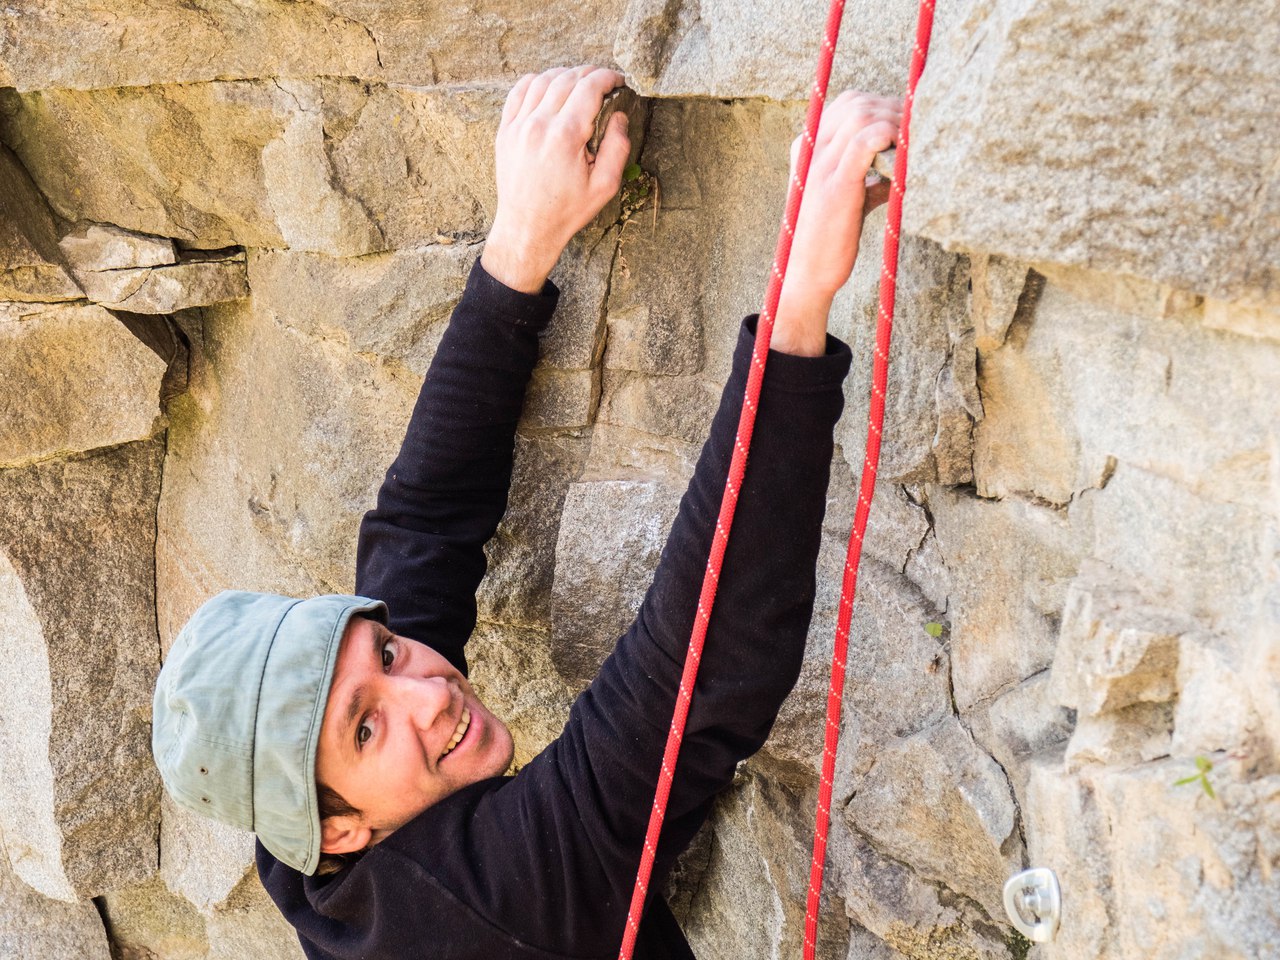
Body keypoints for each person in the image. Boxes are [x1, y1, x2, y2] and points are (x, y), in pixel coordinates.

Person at [152, 64, 902, 960]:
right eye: (366, 725)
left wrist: (520, 243)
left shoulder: (310, 828)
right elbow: (696, 680)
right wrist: (799, 302)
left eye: (386, 655)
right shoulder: (476, 915)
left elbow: (422, 530)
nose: (426, 694)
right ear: (342, 831)